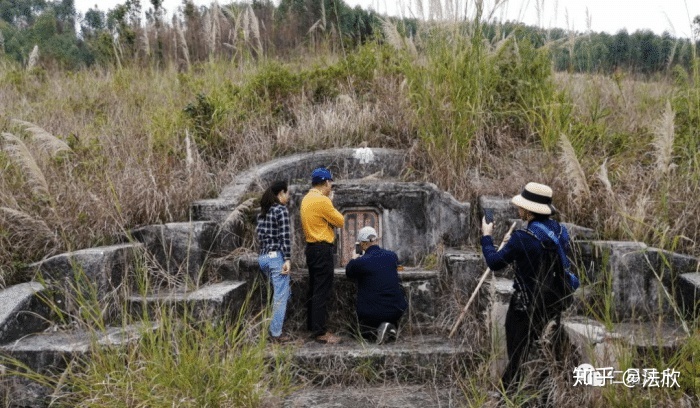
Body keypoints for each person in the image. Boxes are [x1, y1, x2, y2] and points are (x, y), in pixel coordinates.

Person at [480, 182, 571, 392]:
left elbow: (495, 263)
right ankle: (544, 396)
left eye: (521, 206)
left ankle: (507, 397)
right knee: (545, 355)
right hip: (552, 304)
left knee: (517, 356)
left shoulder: (523, 238)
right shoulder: (559, 232)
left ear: (528, 210)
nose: (518, 209)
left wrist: (486, 236)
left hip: (524, 306)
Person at [300, 167, 345, 344]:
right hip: (322, 248)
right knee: (322, 290)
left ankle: (313, 326)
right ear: (326, 182)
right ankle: (320, 332)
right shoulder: (322, 200)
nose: (331, 187)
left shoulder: (306, 199)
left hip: (311, 248)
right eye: (330, 183)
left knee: (314, 288)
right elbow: (340, 221)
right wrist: (330, 201)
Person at [345, 226, 408, 344]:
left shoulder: (361, 262)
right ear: (376, 240)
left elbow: (349, 272)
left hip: (372, 312)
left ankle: (377, 330)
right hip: (396, 309)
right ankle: (389, 327)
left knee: (361, 332)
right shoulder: (391, 256)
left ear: (362, 244)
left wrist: (354, 258)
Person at [256, 180, 292, 343]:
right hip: (277, 257)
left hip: (263, 258)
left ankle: (274, 325)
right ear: (281, 194)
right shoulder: (281, 210)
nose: (288, 196)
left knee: (283, 292)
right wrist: (287, 259)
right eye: (287, 193)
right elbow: (285, 237)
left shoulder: (262, 212)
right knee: (280, 296)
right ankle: (275, 333)